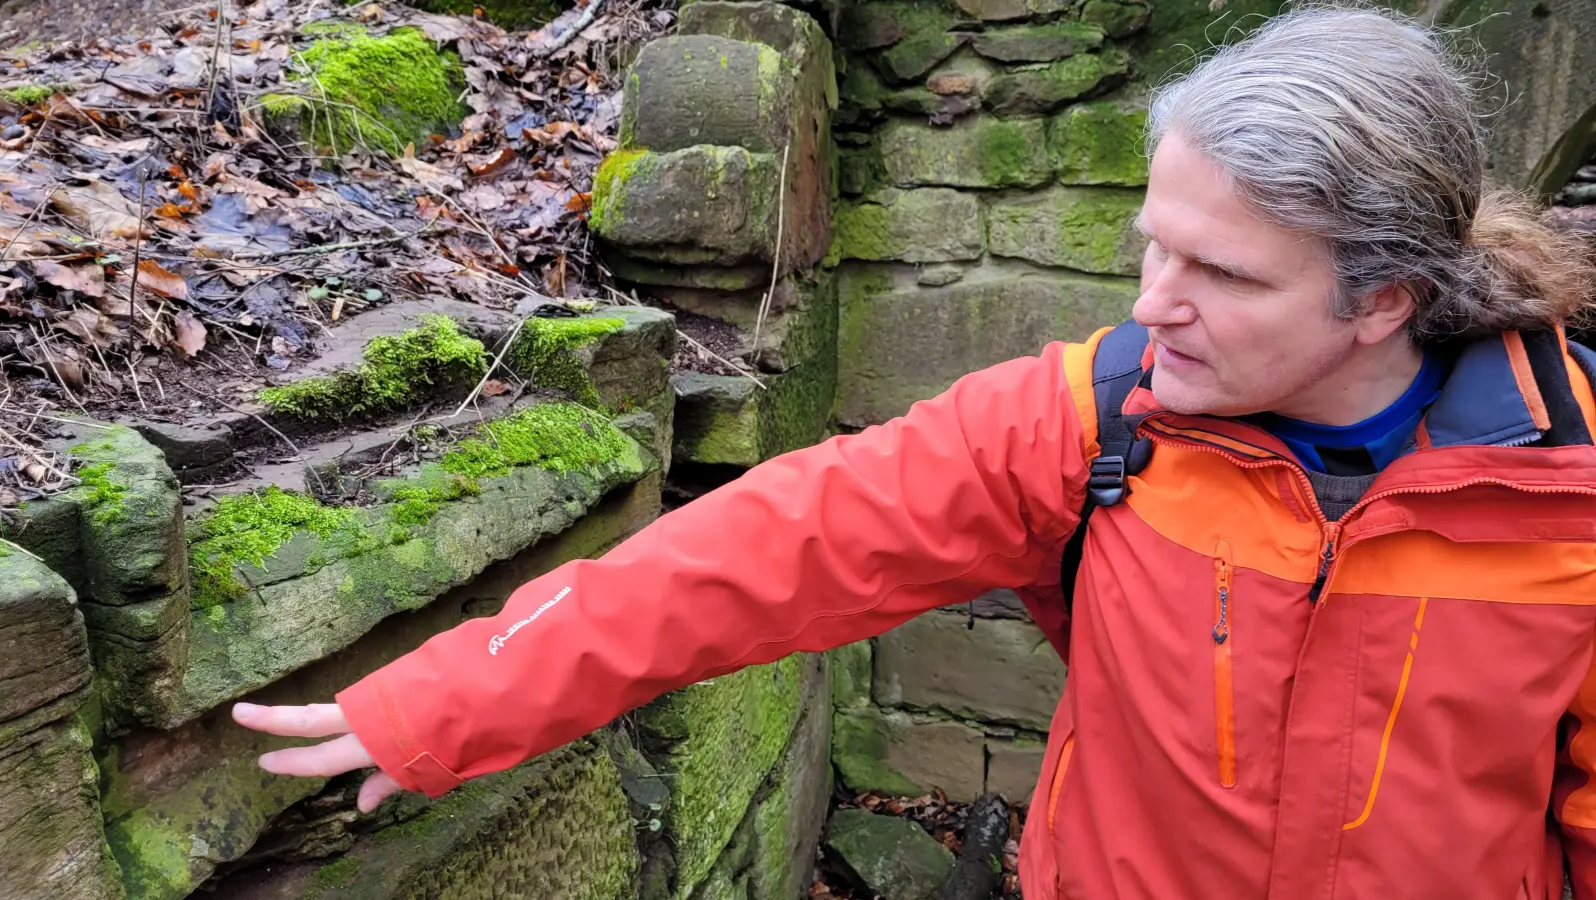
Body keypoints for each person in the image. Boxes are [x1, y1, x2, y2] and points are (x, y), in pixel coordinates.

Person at [233, 5, 1596, 899]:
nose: (1152, 304)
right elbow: (769, 547)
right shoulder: (1103, 418)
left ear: (1385, 298)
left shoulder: (1572, 500)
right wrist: (443, 704)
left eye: (1223, 276)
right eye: (1151, 247)